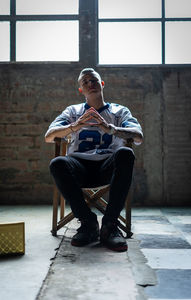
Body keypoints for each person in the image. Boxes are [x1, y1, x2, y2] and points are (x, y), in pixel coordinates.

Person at [45, 68, 143, 252]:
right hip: (79, 168)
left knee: (125, 154)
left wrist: (111, 128)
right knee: (57, 163)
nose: (91, 83)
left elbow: (138, 136)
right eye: (85, 82)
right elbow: (49, 136)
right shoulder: (73, 111)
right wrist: (75, 126)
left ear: (102, 84)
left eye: (94, 80)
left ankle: (109, 225)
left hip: (107, 167)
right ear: (81, 90)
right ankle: (88, 223)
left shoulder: (119, 111)